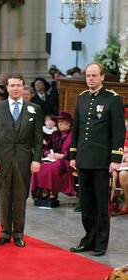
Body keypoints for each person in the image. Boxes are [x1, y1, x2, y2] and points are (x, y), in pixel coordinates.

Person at [69, 62, 125, 257]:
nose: (90, 79)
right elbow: (76, 128)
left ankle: (101, 242)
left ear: (102, 77)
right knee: (86, 204)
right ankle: (88, 239)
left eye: (94, 75)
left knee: (101, 204)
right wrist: (73, 154)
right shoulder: (82, 98)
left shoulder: (112, 99)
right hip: (84, 158)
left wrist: (115, 158)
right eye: (88, 76)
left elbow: (119, 131)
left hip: (102, 161)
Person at [0, 73, 43, 247]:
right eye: (12, 85)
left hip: (24, 159)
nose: (15, 88)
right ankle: (5, 232)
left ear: (23, 87)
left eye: (19, 85)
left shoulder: (34, 108)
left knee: (20, 197)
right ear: (7, 88)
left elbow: (38, 138)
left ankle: (18, 233)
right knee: (4, 197)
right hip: (2, 159)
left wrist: (36, 159)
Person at [31, 111, 75, 201]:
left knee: (52, 168)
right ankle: (44, 191)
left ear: (69, 124)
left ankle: (53, 192)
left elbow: (76, 150)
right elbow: (47, 147)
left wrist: (63, 155)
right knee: (40, 166)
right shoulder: (55, 134)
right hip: (52, 159)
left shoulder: (74, 135)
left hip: (67, 160)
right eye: (59, 123)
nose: (60, 125)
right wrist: (49, 154)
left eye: (63, 123)